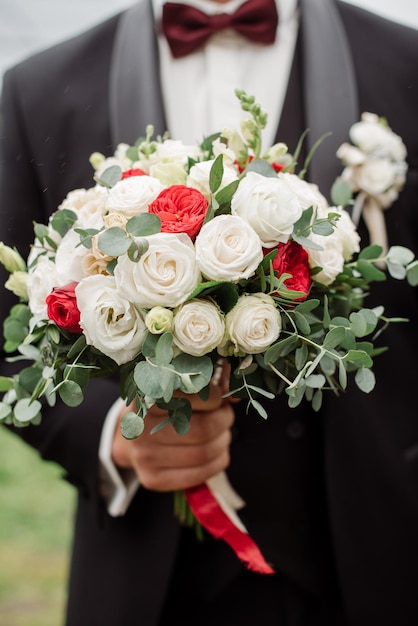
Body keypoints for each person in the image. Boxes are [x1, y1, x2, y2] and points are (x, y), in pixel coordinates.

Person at [0, 0, 417, 624]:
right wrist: (116, 434)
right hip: (147, 585)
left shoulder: (406, 66)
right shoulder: (36, 90)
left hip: (367, 565)